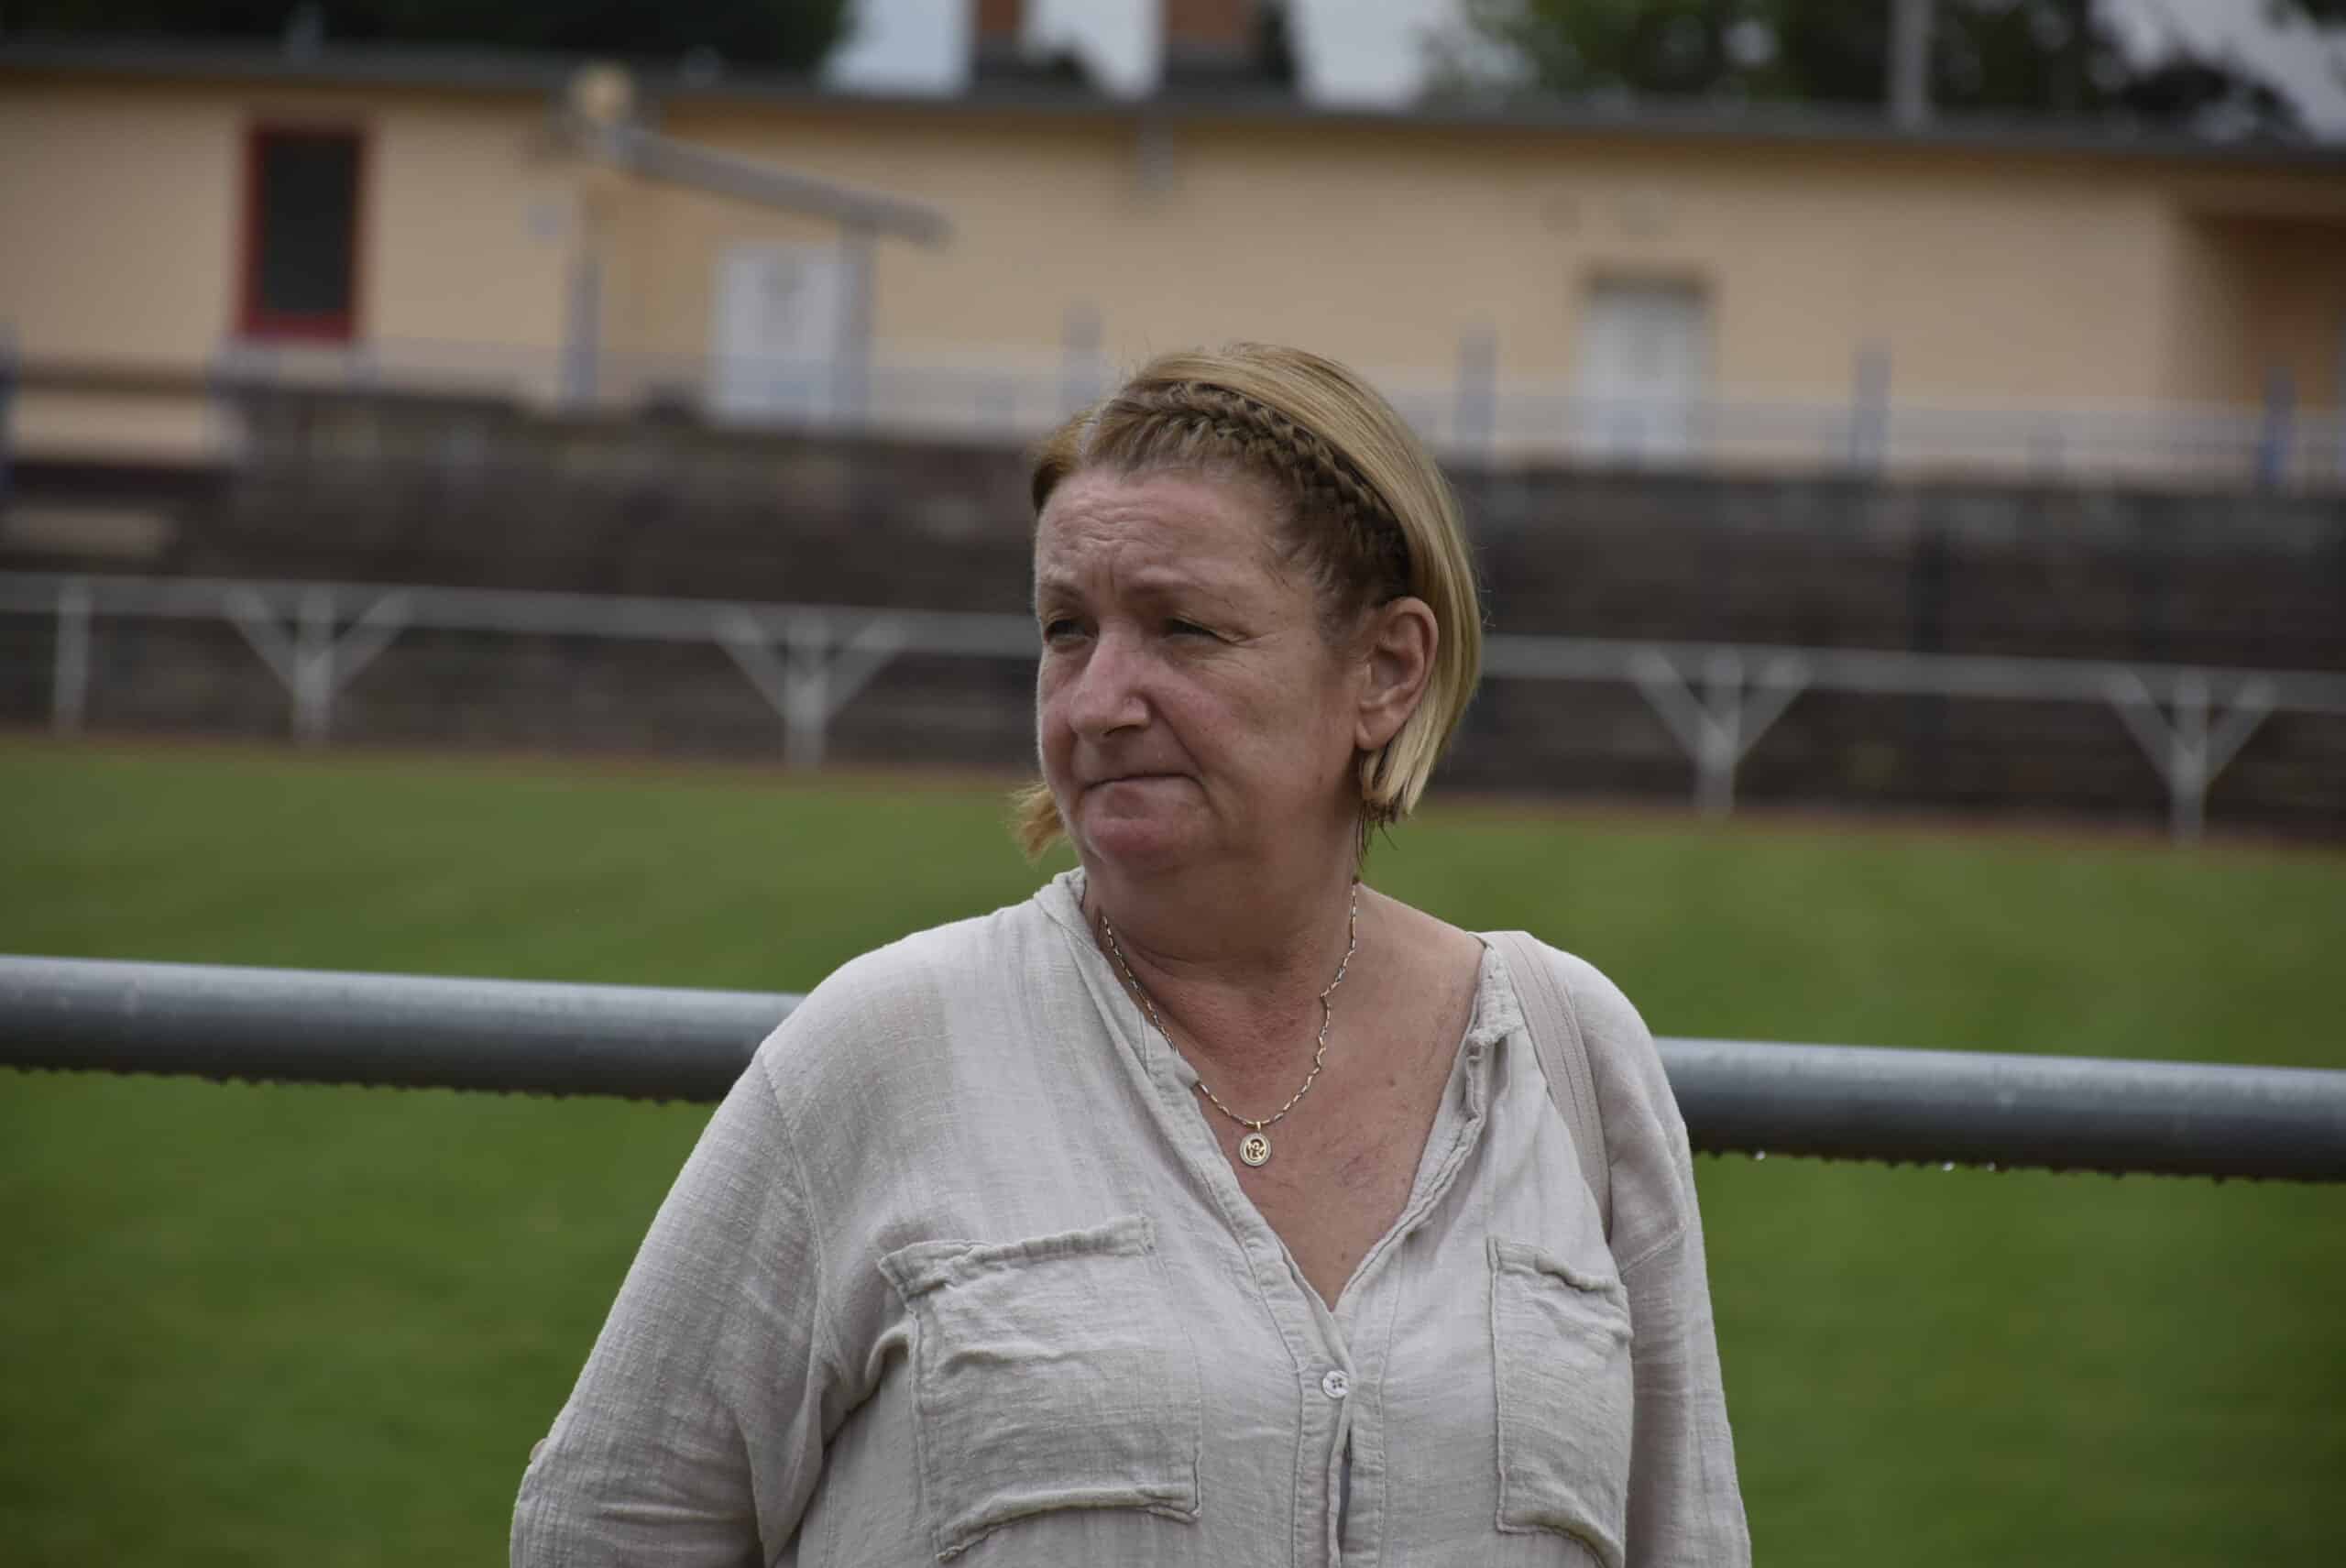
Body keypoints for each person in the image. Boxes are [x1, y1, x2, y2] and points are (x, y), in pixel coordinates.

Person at [512, 344, 1749, 1567]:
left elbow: (1687, 1540)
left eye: (1183, 629)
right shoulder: (887, 1048)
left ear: (1385, 670)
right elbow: (606, 1527)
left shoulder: (1566, 1057)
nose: (1098, 701)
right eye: (1068, 630)